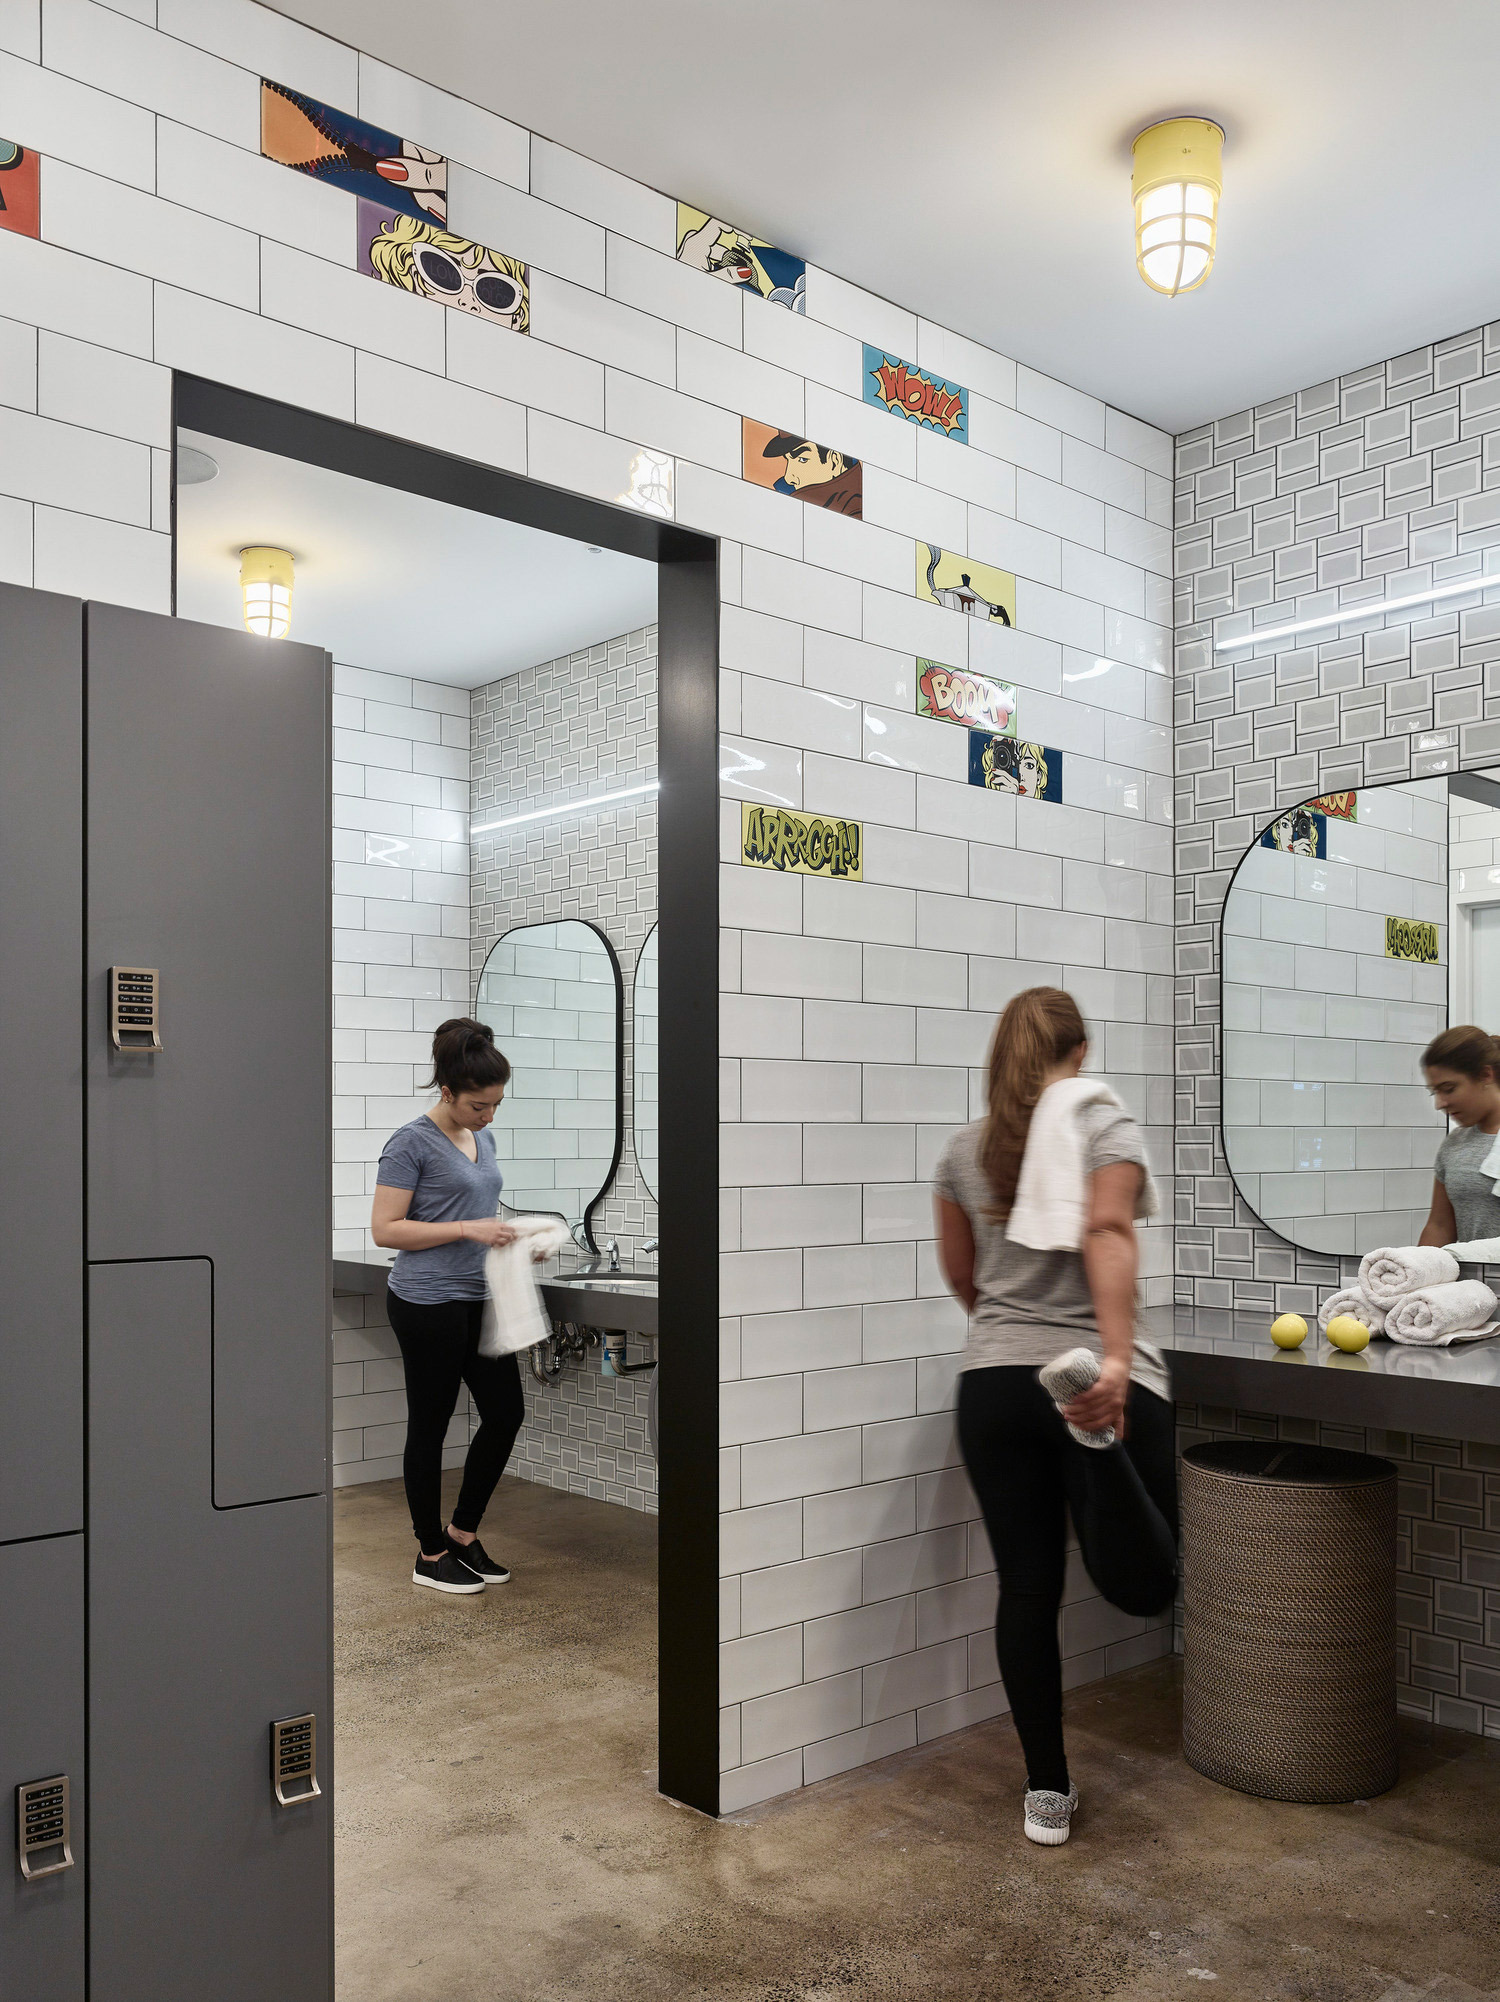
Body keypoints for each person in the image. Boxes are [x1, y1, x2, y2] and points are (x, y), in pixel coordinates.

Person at [933, 986, 1178, 1847]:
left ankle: (1046, 1793)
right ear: (1082, 1051)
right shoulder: (1102, 1122)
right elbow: (1108, 1230)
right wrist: (1113, 1361)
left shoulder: (964, 1150)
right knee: (1150, 1583)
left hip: (995, 1380)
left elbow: (962, 1279)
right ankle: (1094, 1443)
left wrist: (1009, 1335)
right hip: (1093, 1372)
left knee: (1027, 1589)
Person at [371, 1018, 533, 1596]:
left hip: (478, 1297)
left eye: (494, 1105)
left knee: (505, 1413)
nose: (488, 1117)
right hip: (427, 1303)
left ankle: (463, 1534)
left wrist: (510, 1239)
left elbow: (474, 1208)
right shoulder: (410, 1142)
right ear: (446, 1091)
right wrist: (468, 1228)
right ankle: (429, 1552)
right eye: (478, 1105)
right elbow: (385, 1230)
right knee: (432, 1424)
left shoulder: (480, 1137)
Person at [1418, 1025, 1500, 1246]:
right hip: (1471, 1280)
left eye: (1449, 1088)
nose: (1439, 1104)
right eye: (1435, 1092)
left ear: (1485, 1075)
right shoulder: (1454, 1143)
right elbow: (1440, 1226)